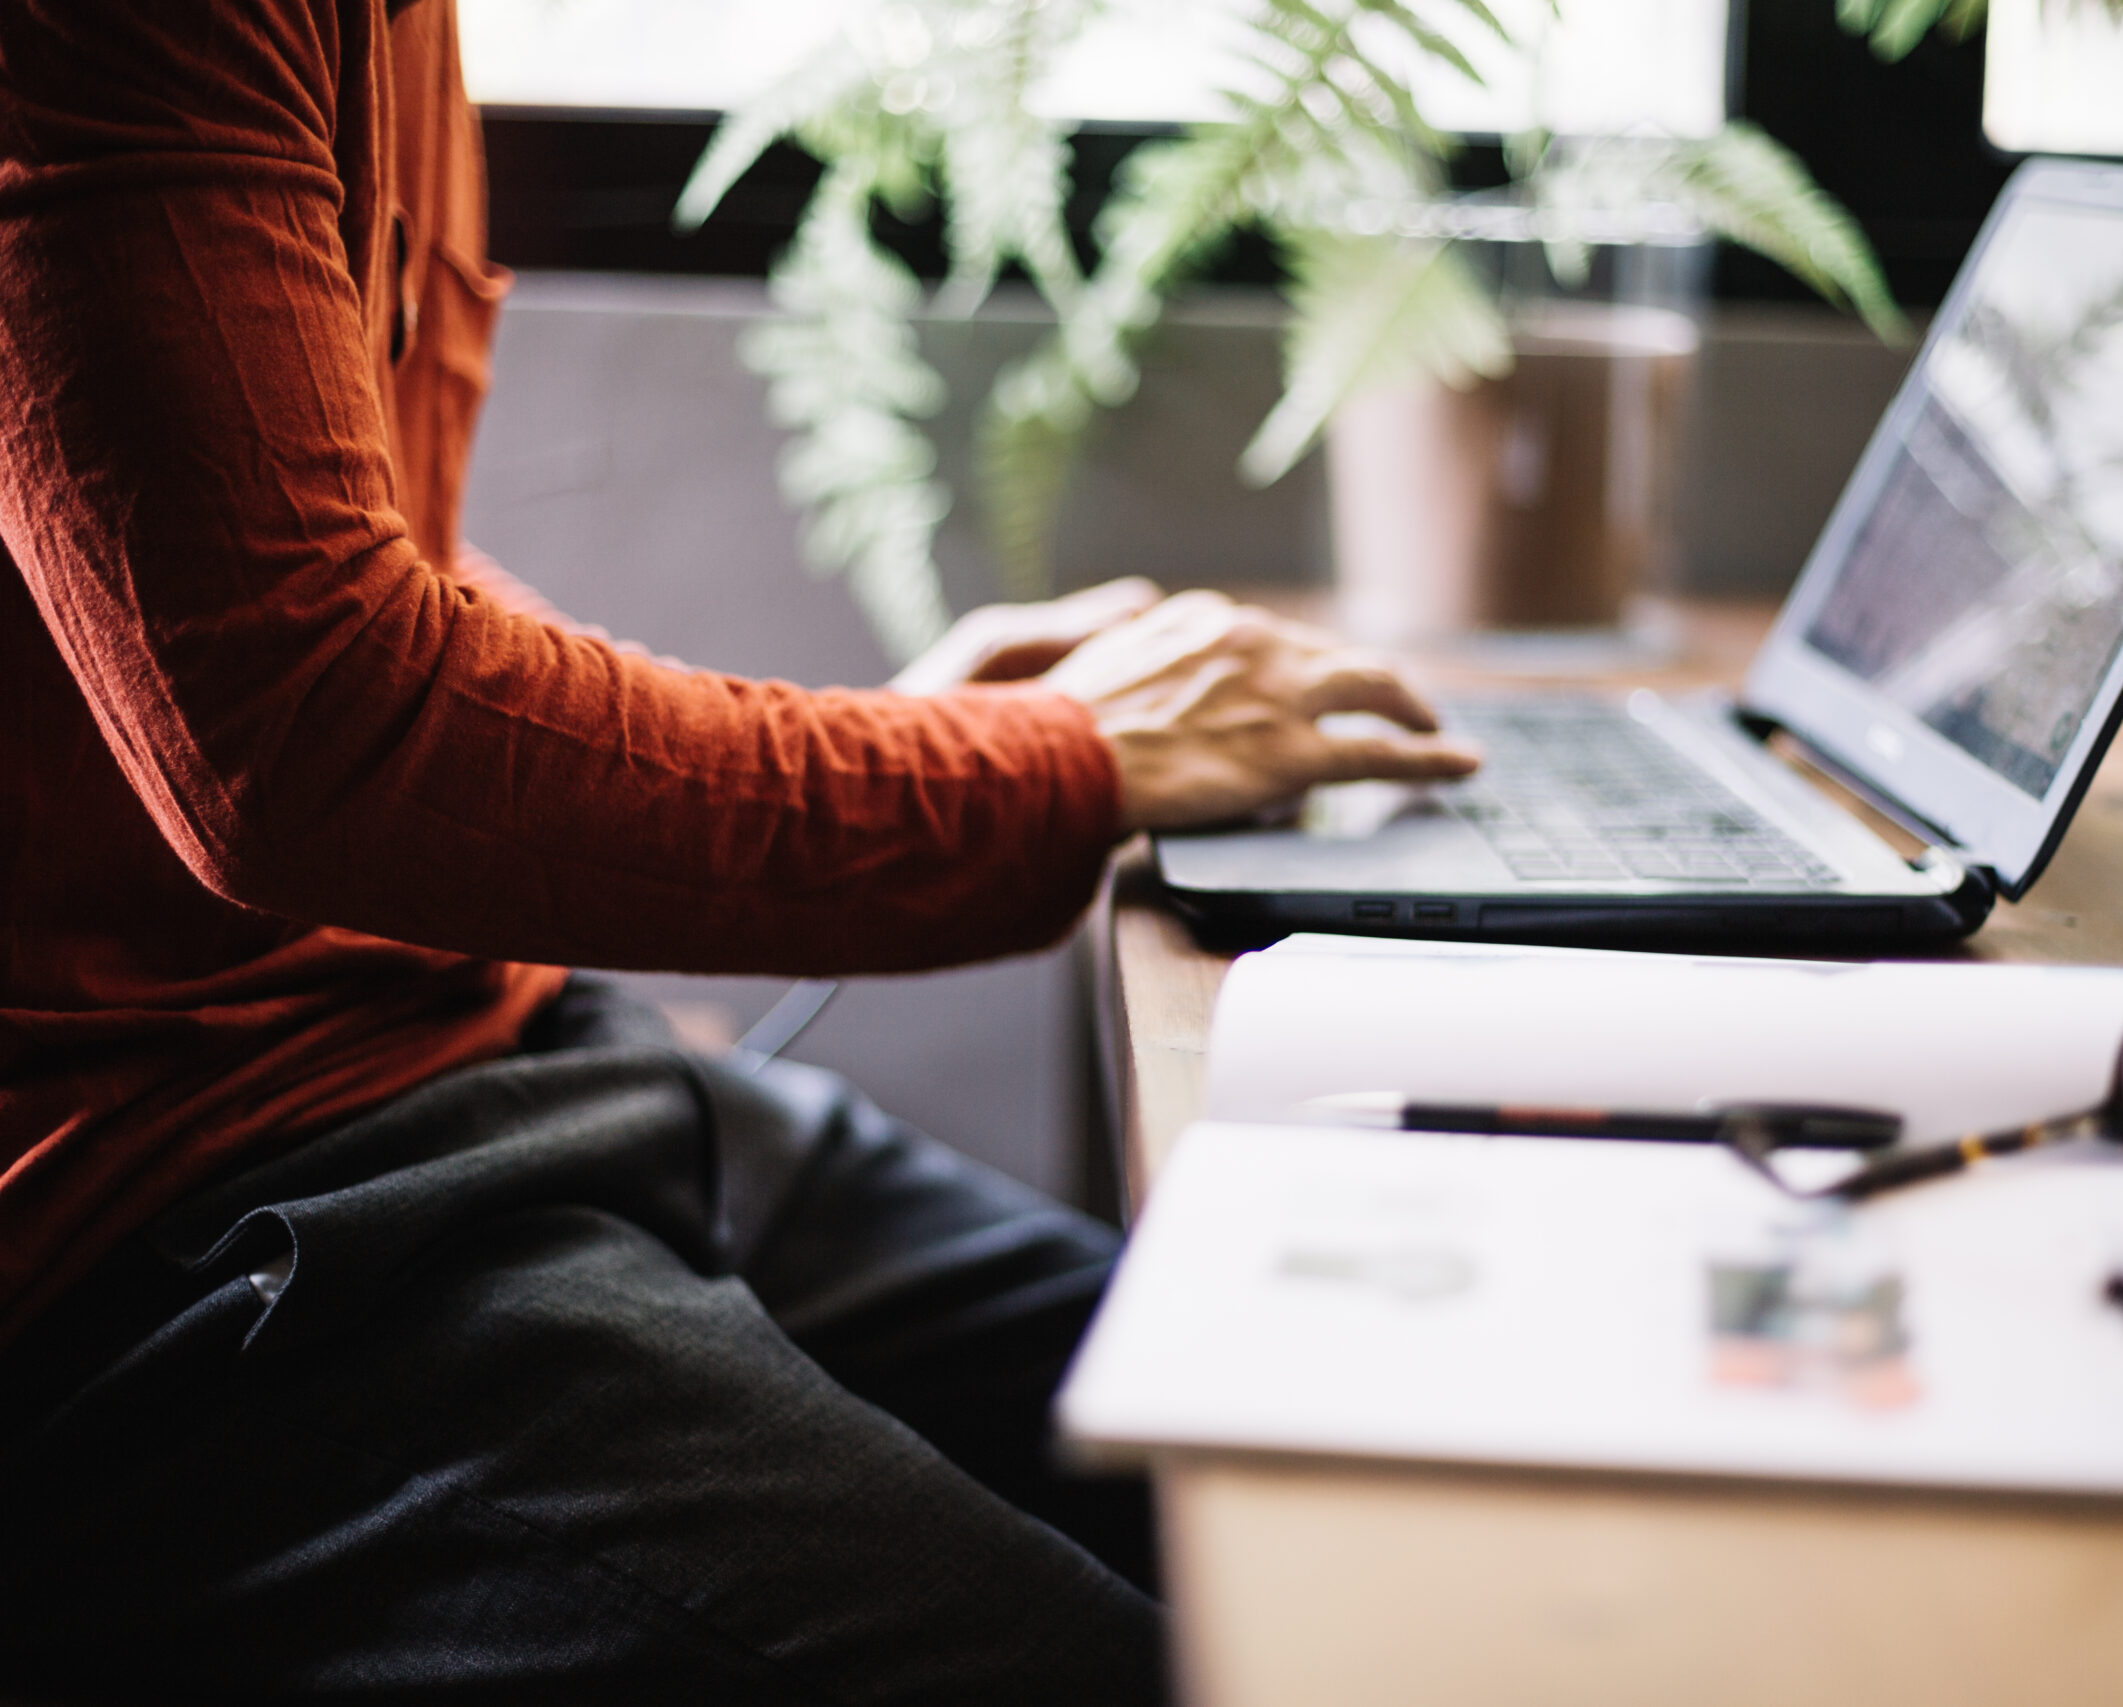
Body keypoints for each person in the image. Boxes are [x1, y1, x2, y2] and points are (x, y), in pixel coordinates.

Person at [0, 2, 1476, 1700]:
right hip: (172, 1237)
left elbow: (309, 550)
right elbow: (302, 733)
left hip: (497, 1057)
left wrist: (884, 740)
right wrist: (1023, 776)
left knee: (1357, 1484)